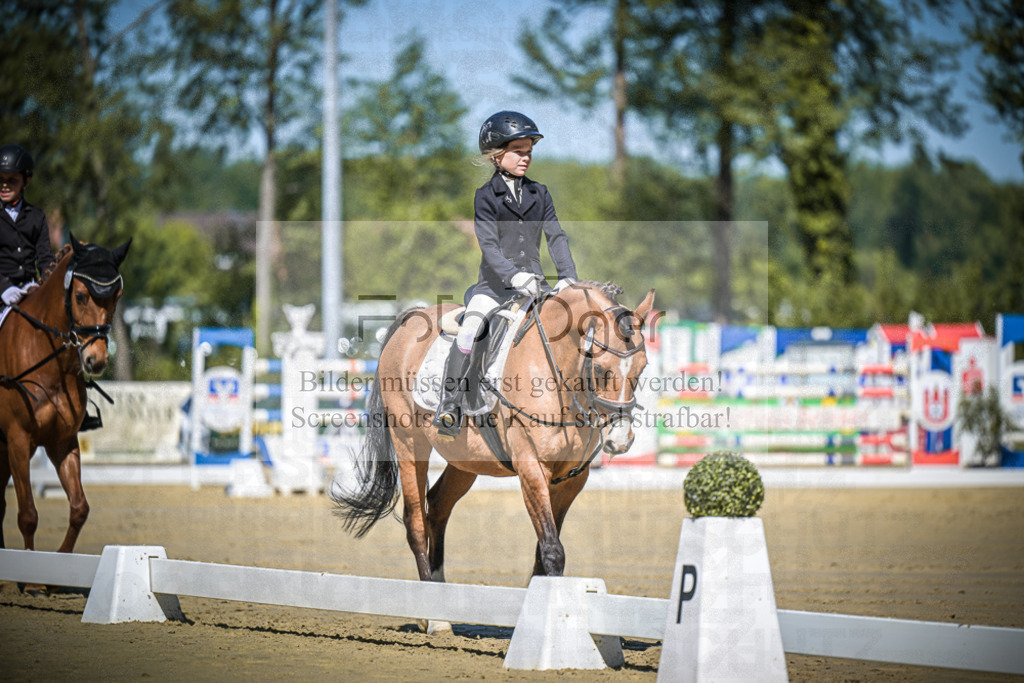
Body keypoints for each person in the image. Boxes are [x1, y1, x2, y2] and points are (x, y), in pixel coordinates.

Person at [432, 111, 578, 439]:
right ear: (497, 155)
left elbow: (555, 236)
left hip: (536, 287)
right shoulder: (486, 196)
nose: (526, 158)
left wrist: (568, 276)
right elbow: (489, 245)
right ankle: (450, 404)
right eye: (518, 152)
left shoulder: (540, 193)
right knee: (470, 330)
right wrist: (514, 276)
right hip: (495, 288)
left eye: (529, 152)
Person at [0, 144, 52, 308]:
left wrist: (47, 282)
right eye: (0, 179)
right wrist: (4, 288)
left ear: (26, 181)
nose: (5, 185)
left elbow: (45, 258)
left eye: (12, 180)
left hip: (29, 292)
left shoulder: (37, 216)